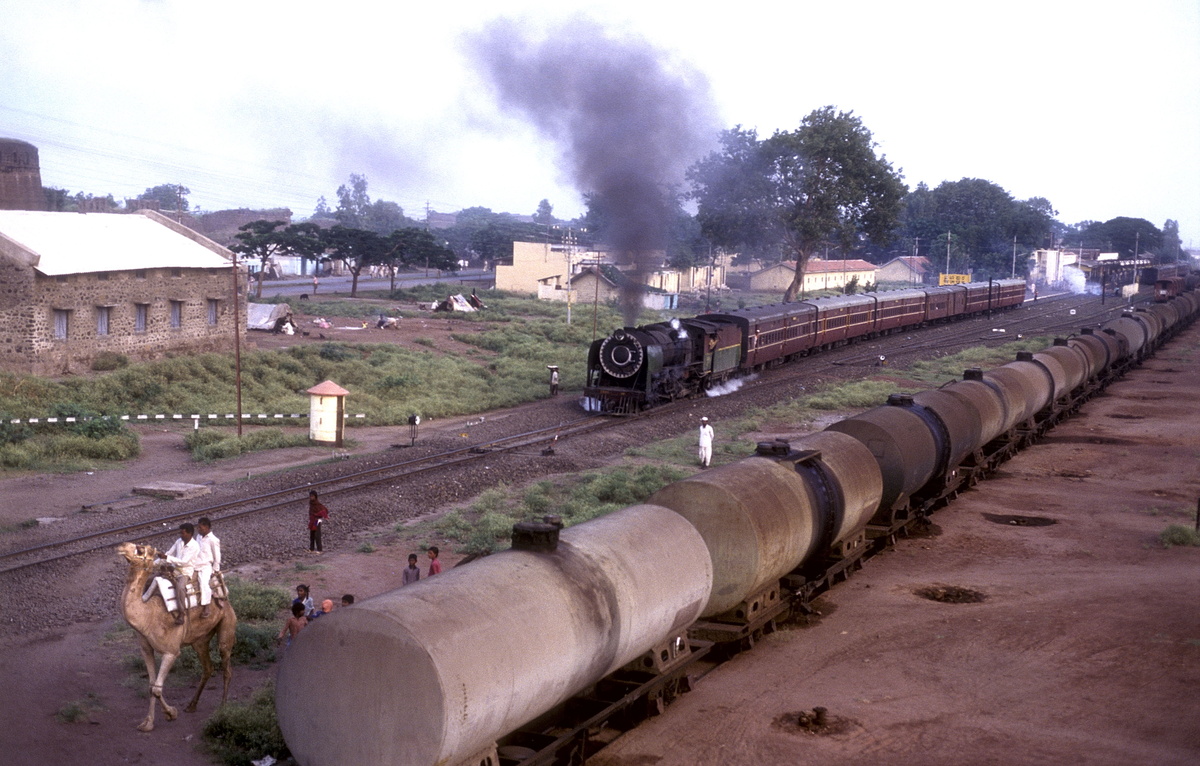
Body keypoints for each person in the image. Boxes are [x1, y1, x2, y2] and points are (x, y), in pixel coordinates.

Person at [158, 523, 200, 625]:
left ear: (190, 533)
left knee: (180, 587)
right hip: (175, 569)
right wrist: (154, 563)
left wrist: (166, 558)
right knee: (155, 578)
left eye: (183, 533)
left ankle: (182, 613)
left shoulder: (194, 546)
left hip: (185, 571)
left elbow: (183, 562)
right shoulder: (179, 541)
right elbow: (169, 553)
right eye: (180, 533)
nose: (181, 535)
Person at [195, 517, 223, 618]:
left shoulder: (213, 540)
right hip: (196, 564)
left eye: (201, 528)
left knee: (203, 583)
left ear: (207, 527)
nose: (198, 530)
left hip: (206, 566)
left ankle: (206, 606)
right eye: (198, 528)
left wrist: (215, 570)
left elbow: (217, 556)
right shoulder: (198, 537)